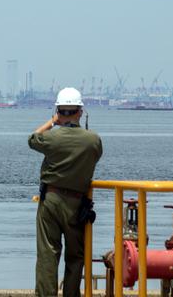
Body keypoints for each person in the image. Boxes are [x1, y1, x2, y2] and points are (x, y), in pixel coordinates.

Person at [29, 87, 103, 297]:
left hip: (50, 200)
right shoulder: (93, 140)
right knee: (76, 255)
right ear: (81, 111)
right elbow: (94, 157)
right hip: (77, 203)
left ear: (59, 111)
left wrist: (53, 122)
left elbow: (33, 139)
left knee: (47, 255)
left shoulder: (52, 138)